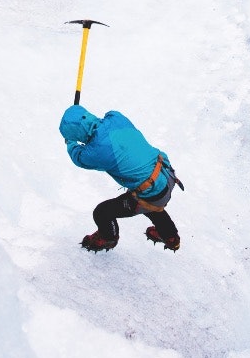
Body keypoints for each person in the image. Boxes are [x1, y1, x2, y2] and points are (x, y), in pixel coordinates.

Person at [59, 105, 182, 253]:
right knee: (150, 206)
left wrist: (70, 141)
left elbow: (79, 157)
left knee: (102, 212)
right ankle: (171, 237)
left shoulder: (97, 152)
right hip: (166, 174)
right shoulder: (116, 118)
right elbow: (108, 117)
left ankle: (108, 237)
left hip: (153, 193)